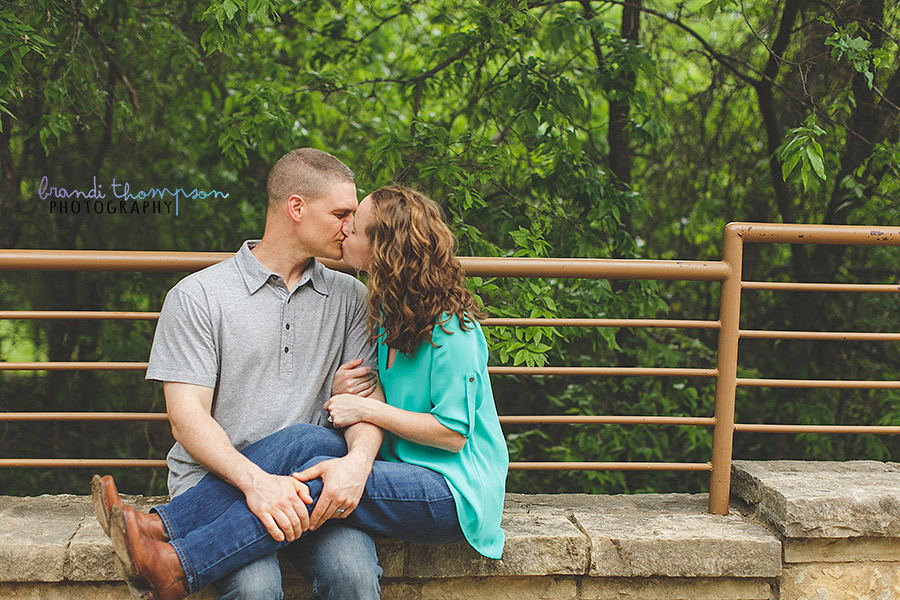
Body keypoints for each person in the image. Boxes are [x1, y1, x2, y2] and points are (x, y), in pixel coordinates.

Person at [94, 185, 508, 600]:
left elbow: (453, 433)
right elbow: (382, 389)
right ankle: (160, 526)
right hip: (388, 466)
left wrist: (365, 413)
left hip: (452, 488)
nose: (347, 232)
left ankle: (178, 565)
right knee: (301, 440)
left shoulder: (452, 330)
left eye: (356, 225)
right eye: (342, 217)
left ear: (384, 250)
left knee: (315, 497)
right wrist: (355, 394)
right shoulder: (388, 313)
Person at [115, 148, 386, 600]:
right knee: (256, 587)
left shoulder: (352, 298)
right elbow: (187, 418)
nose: (351, 228)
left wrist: (357, 463)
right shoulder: (199, 296)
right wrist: (257, 483)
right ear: (295, 208)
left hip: (309, 483)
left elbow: (365, 404)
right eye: (341, 213)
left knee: (354, 577)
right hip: (214, 484)